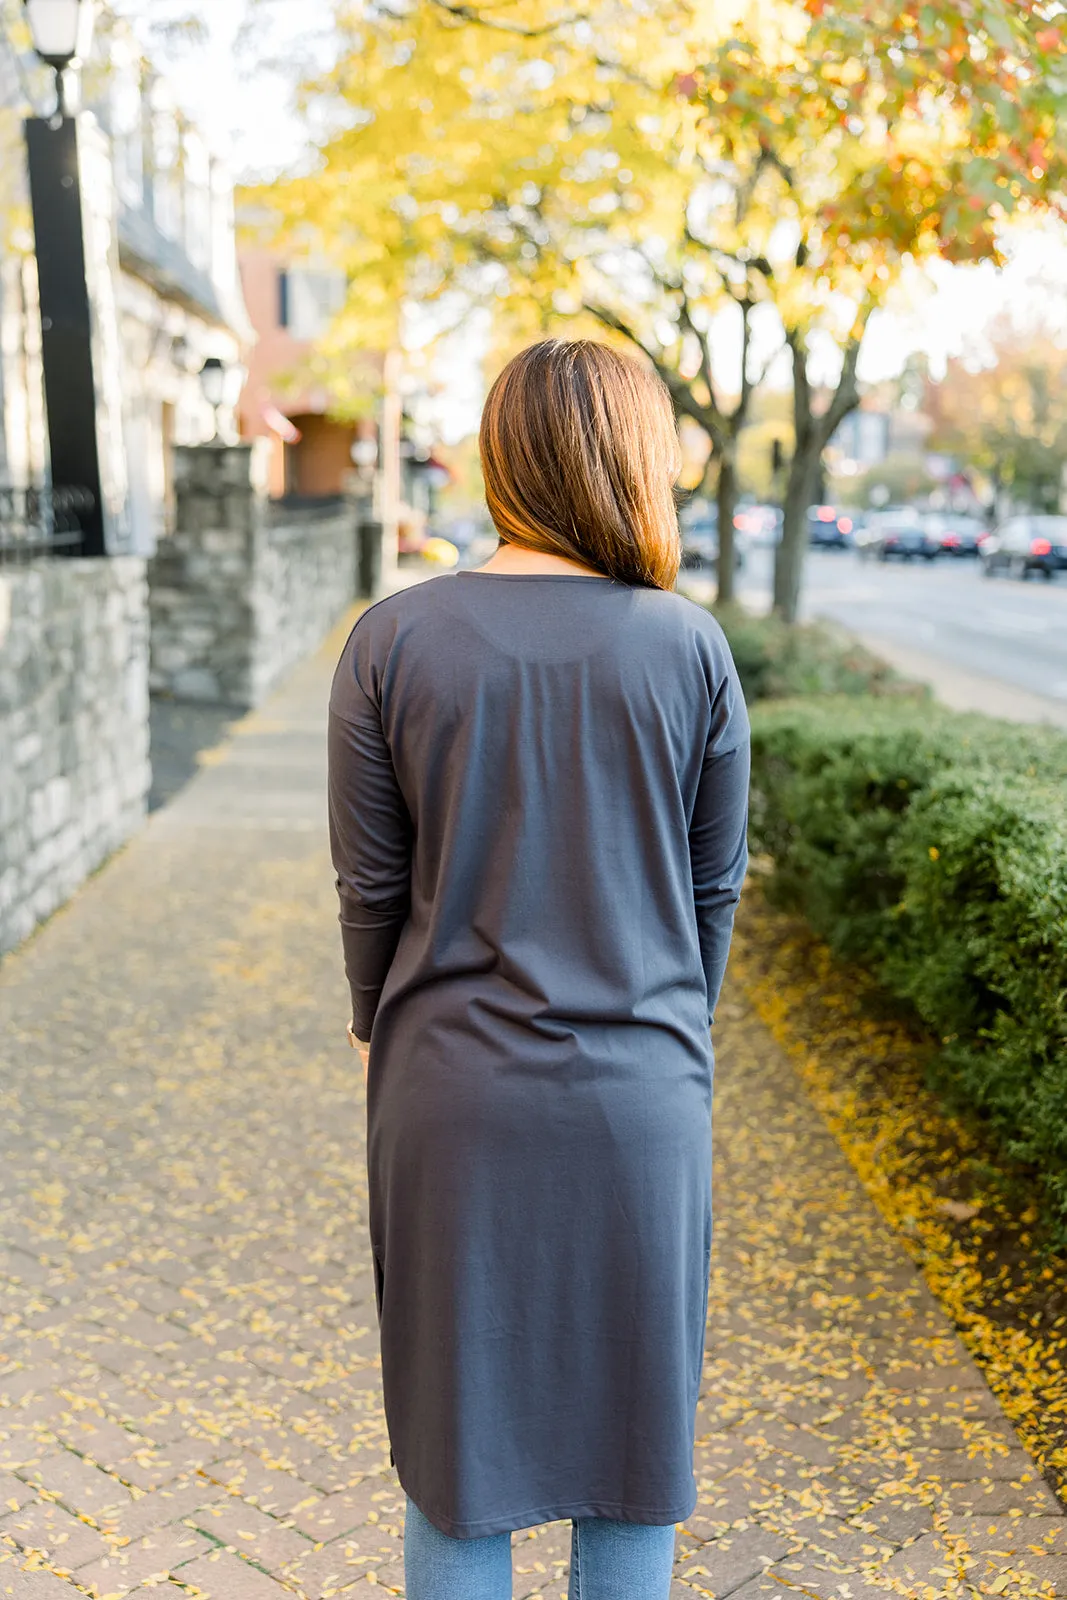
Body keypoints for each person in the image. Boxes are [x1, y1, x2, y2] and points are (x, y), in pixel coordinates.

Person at [328, 339, 750, 1600]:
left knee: (459, 1462)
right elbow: (709, 890)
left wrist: (375, 1019)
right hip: (641, 1096)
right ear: (638, 459)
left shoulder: (392, 639)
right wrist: (667, 1025)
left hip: (450, 1095)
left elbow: (371, 887)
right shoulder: (690, 649)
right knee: (633, 1453)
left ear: (501, 452)